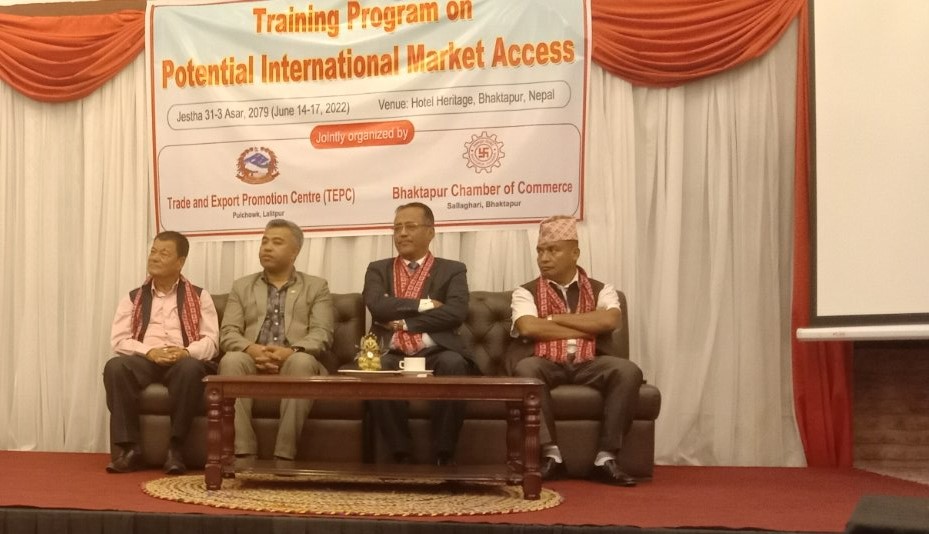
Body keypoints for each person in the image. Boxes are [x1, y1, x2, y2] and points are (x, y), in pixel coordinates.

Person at [510, 216, 643, 487]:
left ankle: (606, 458)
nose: (544, 258)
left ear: (575, 253)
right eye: (540, 251)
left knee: (628, 371)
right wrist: (588, 326)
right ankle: (551, 456)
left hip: (590, 361)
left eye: (553, 250)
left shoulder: (602, 289)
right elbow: (528, 327)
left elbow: (609, 321)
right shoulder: (524, 292)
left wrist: (552, 319)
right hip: (546, 362)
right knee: (526, 369)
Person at [363, 202, 477, 466]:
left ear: (430, 232)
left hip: (436, 349)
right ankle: (400, 454)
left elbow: (455, 312)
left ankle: (444, 454)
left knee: (454, 363)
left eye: (410, 226)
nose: (402, 233)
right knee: (376, 368)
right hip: (390, 349)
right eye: (397, 228)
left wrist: (403, 322)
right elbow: (377, 306)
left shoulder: (453, 269)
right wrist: (426, 304)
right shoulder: (378, 268)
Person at [103, 231, 219, 475]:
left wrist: (185, 352)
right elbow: (119, 340)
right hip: (147, 359)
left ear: (180, 262)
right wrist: (150, 352)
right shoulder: (133, 297)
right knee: (115, 367)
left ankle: (176, 449)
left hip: (182, 360)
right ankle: (130, 450)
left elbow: (211, 342)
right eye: (153, 251)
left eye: (163, 253)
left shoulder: (200, 296)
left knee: (191, 368)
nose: (154, 257)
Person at [218, 219, 334, 460]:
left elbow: (322, 333)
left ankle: (284, 454)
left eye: (277, 242)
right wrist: (252, 349)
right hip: (252, 359)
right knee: (231, 360)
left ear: (294, 252)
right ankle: (243, 452)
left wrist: (290, 352)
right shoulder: (242, 286)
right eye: (264, 242)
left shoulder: (316, 286)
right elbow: (228, 332)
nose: (267, 247)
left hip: (294, 359)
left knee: (301, 362)